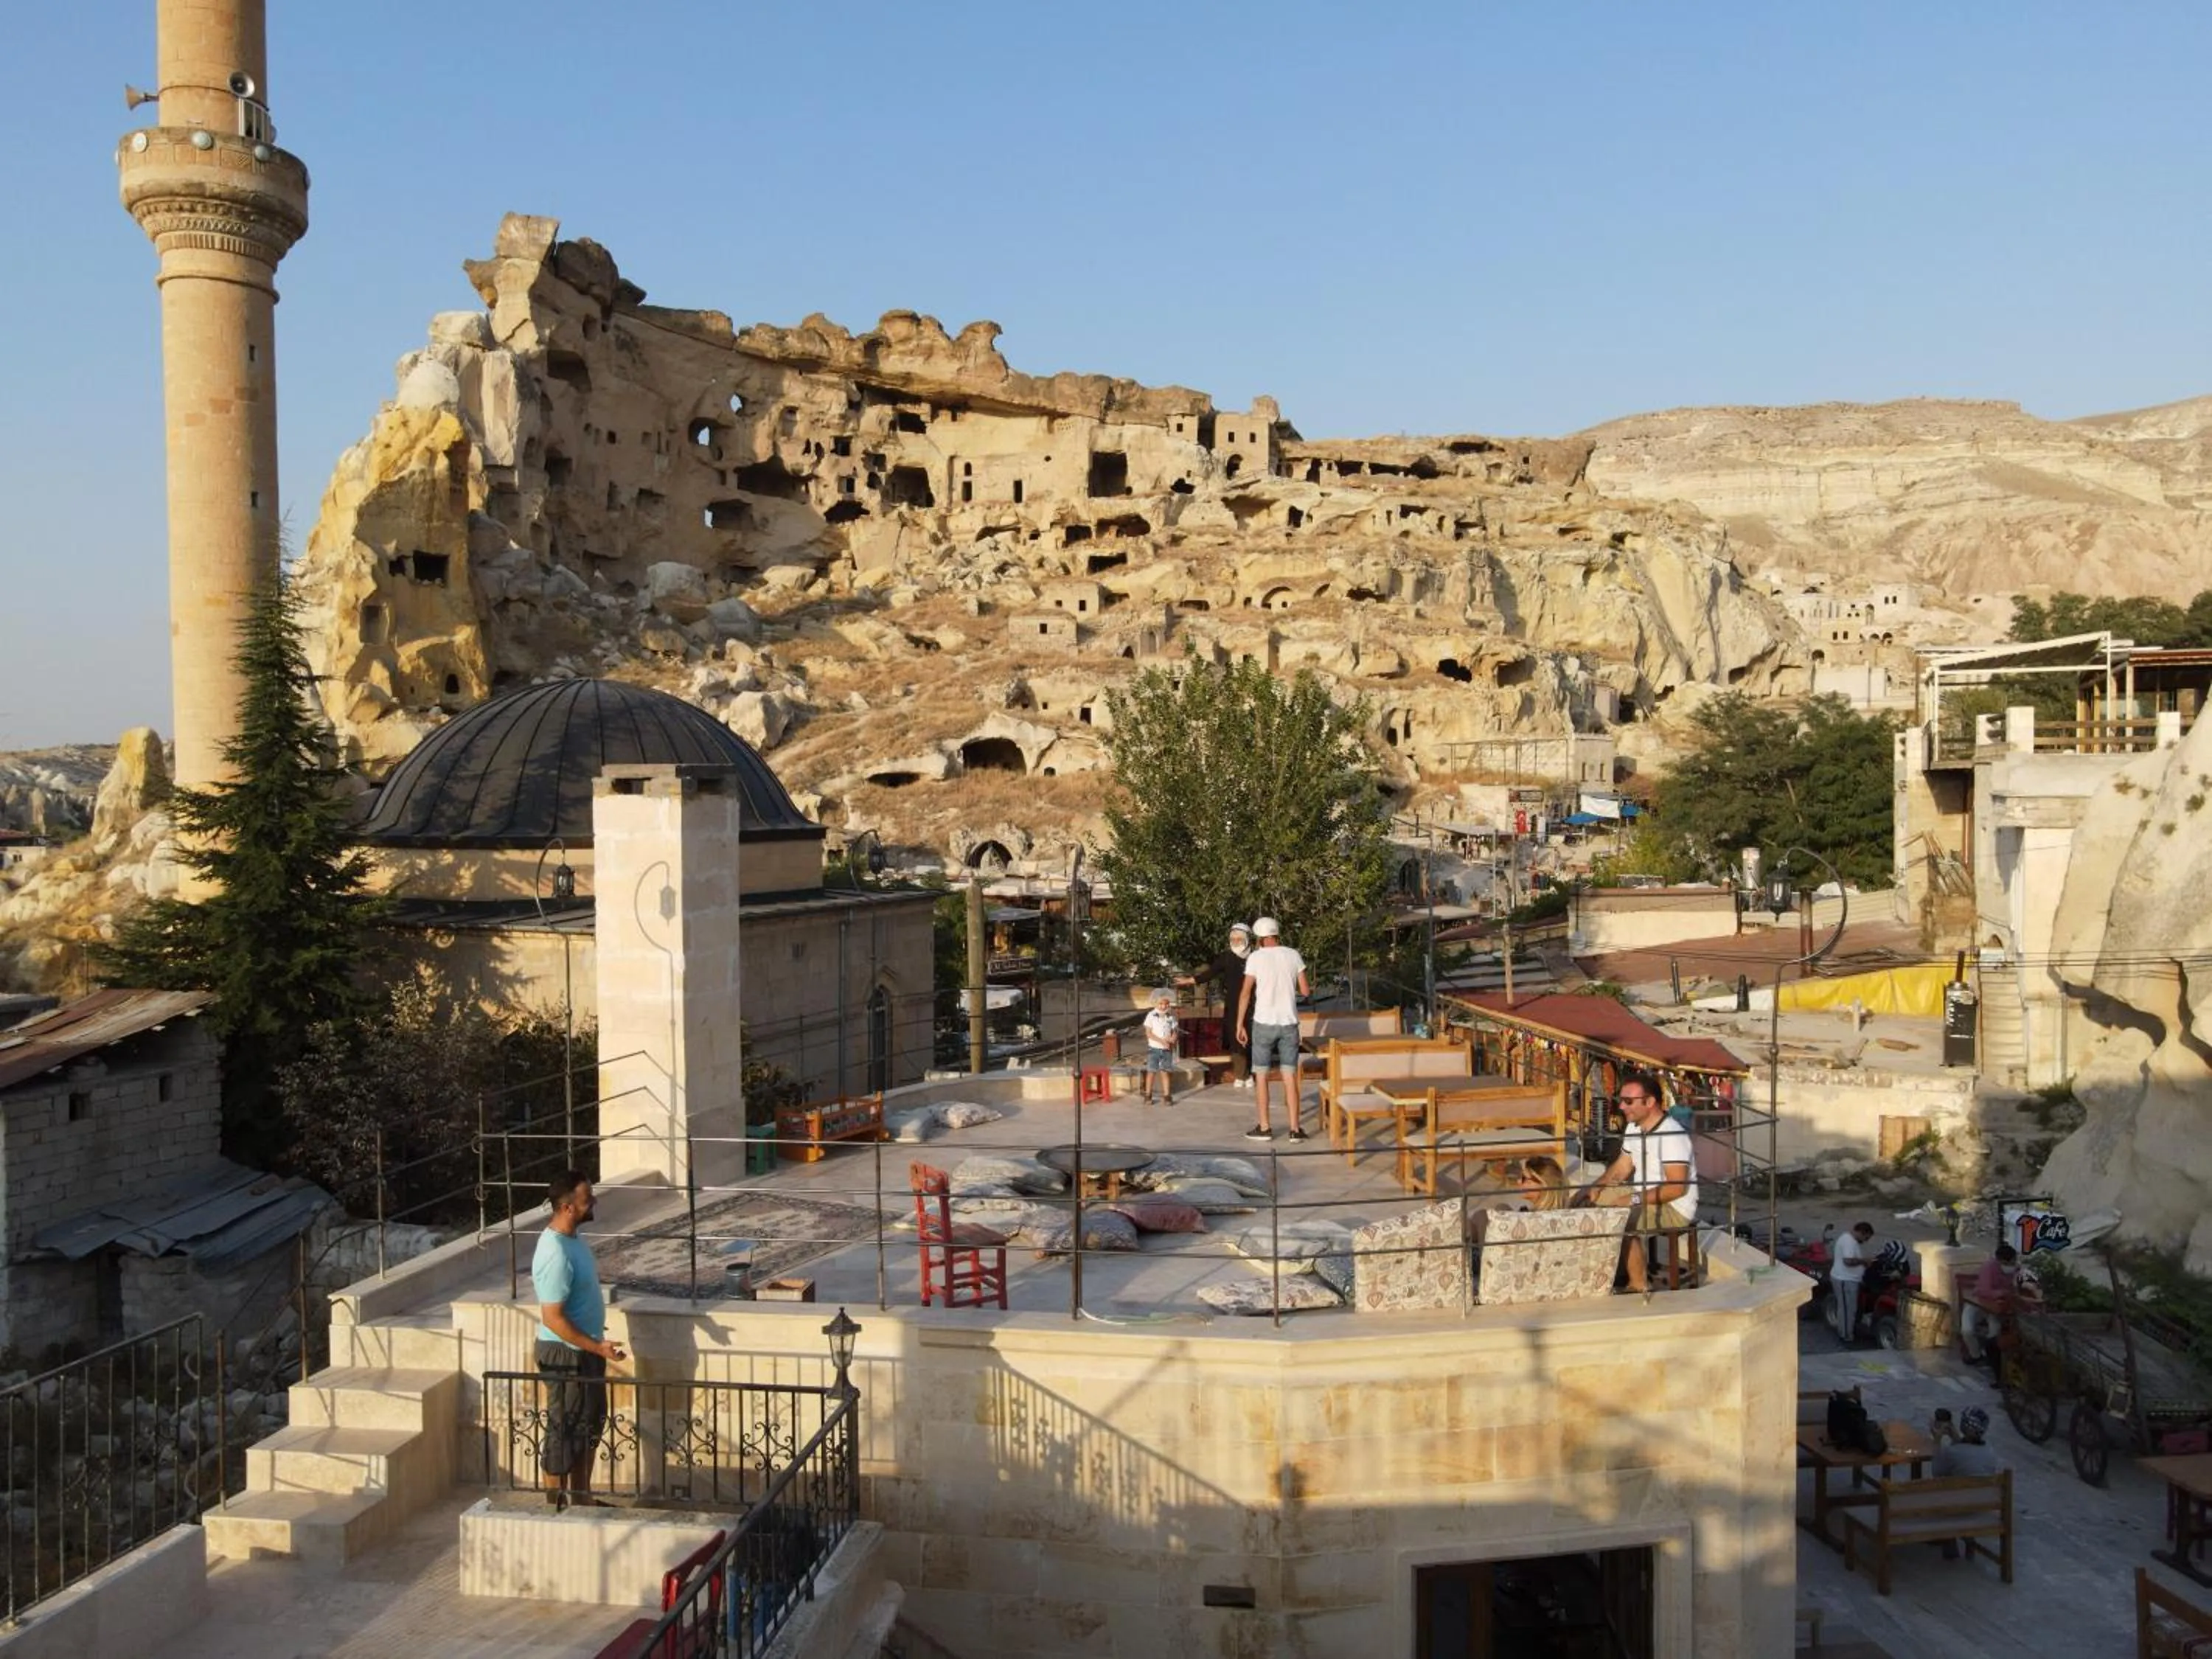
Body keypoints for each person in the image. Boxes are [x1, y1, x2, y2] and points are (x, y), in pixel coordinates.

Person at [534, 1169, 626, 1508]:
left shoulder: (572, 1240)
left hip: (584, 1351)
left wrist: (595, 1346)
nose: (594, 1203)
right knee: (564, 1431)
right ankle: (556, 1506)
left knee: (589, 1424)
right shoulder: (555, 1254)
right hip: (566, 1354)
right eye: (587, 1199)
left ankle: (583, 1499)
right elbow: (553, 1318)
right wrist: (597, 1347)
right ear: (567, 1207)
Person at [1582, 1072, 1697, 1293]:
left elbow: (1676, 1188)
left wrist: (1632, 1198)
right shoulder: (1633, 1127)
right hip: (1643, 1193)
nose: (1622, 1107)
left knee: (1619, 1220)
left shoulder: (1672, 1135)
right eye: (1621, 1101)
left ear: (1650, 1102)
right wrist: (1597, 1187)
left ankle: (1638, 1283)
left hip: (1674, 1206)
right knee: (1582, 1204)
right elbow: (1622, 1166)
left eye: (1628, 1102)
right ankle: (1603, 1273)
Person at [1234, 917, 1310, 1141]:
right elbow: (1305, 991)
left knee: (1261, 1076)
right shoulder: (1293, 954)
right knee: (1289, 1077)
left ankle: (1265, 1127)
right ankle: (1295, 1129)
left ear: (1259, 938)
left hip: (1263, 1024)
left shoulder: (1256, 958)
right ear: (1276, 935)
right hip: (1288, 1024)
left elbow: (1246, 992)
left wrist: (1239, 1024)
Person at [1179, 923, 1254, 1088]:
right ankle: (1242, 1075)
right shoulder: (1227, 957)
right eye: (1233, 939)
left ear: (1247, 939)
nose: (1235, 942)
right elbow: (1210, 973)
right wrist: (1190, 981)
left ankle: (1250, 1073)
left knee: (1253, 1037)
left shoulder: (1255, 957)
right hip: (1234, 1004)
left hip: (1255, 1003)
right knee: (1236, 1038)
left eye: (1239, 939)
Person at [1961, 1242, 2028, 1364]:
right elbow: (1984, 1290)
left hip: (1997, 1306)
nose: (2011, 1265)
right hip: (1978, 1302)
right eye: (2008, 1263)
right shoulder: (1989, 1267)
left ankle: (1989, 1355)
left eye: (2013, 1262)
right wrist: (2002, 1292)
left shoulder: (2015, 1269)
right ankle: (1975, 1355)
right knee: (1967, 1330)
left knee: (1995, 1330)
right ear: (2000, 1261)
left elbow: (2016, 1288)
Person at [1832, 1221, 1875, 1346]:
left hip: (1848, 1279)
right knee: (1847, 1310)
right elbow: (1848, 1261)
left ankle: (1847, 1332)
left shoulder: (1849, 1240)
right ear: (1861, 1233)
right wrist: (1864, 1261)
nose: (1866, 1241)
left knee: (1850, 1309)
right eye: (1866, 1238)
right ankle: (1845, 1337)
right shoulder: (1849, 1242)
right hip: (1845, 1280)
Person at [1933, 1406, 2003, 1478]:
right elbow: (1967, 1451)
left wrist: (1937, 1439)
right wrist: (1956, 1437)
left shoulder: (1950, 1452)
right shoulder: (1990, 1451)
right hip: (1985, 1488)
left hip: (1959, 1488)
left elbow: (1936, 1473)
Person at [1141, 990, 1180, 1105]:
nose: (1164, 1006)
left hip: (1167, 1049)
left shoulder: (1171, 1016)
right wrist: (1162, 1041)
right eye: (1161, 1004)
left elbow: (1175, 1030)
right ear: (1156, 1004)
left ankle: (1167, 1095)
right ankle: (1148, 1095)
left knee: (1165, 1072)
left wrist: (1173, 1038)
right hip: (1154, 1048)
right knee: (1151, 1071)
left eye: (1166, 1004)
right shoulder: (1151, 1015)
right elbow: (1149, 1033)